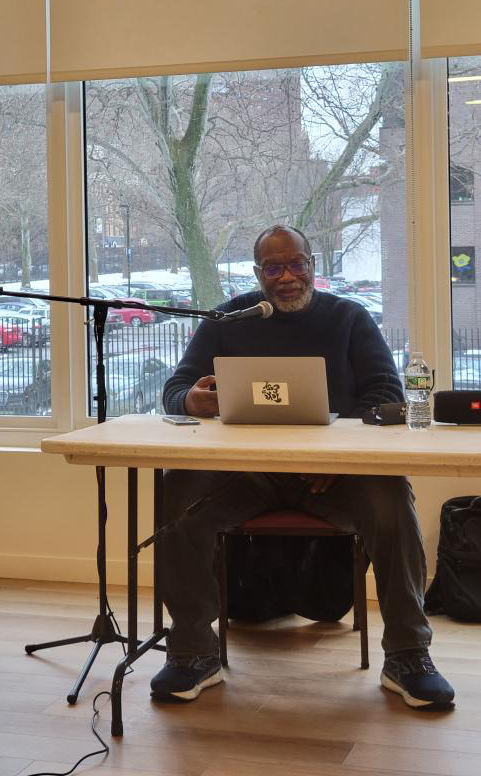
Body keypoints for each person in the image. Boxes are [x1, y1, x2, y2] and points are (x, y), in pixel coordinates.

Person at [151, 225, 455, 711]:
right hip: (246, 475)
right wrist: (189, 398)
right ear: (258, 274)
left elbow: (386, 395)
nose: (287, 276)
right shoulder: (229, 319)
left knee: (391, 496)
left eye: (296, 264)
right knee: (178, 493)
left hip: (334, 475)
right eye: (274, 268)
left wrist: (339, 455)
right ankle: (191, 651)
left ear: (313, 265)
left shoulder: (349, 318)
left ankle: (408, 655)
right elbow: (175, 388)